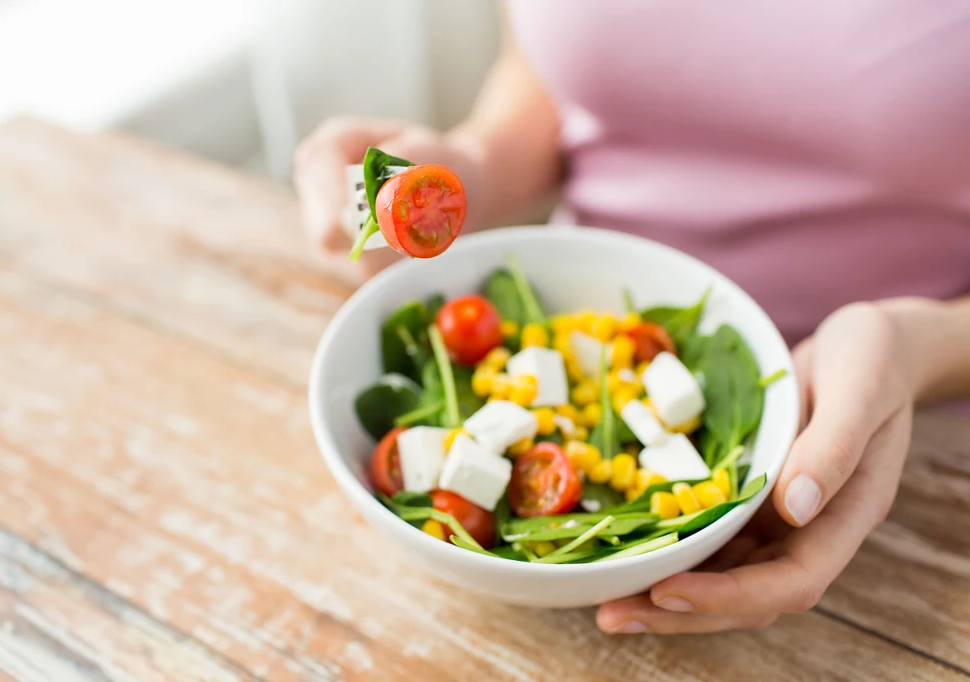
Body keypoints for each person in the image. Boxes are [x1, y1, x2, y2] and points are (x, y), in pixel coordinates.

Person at [294, 2, 970, 634]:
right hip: (587, 324)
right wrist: (478, 164)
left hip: (925, 476)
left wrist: (922, 349)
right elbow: (553, 69)